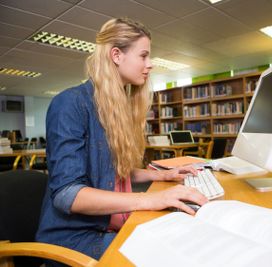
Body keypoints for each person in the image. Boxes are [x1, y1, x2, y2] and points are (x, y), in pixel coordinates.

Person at [35, 17, 208, 264]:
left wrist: (162, 175)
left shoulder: (117, 107)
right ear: (116, 55)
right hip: (75, 239)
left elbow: (112, 172)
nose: (150, 65)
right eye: (144, 56)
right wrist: (150, 199)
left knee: (185, 235)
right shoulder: (71, 103)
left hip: (110, 225)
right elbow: (67, 195)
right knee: (172, 255)